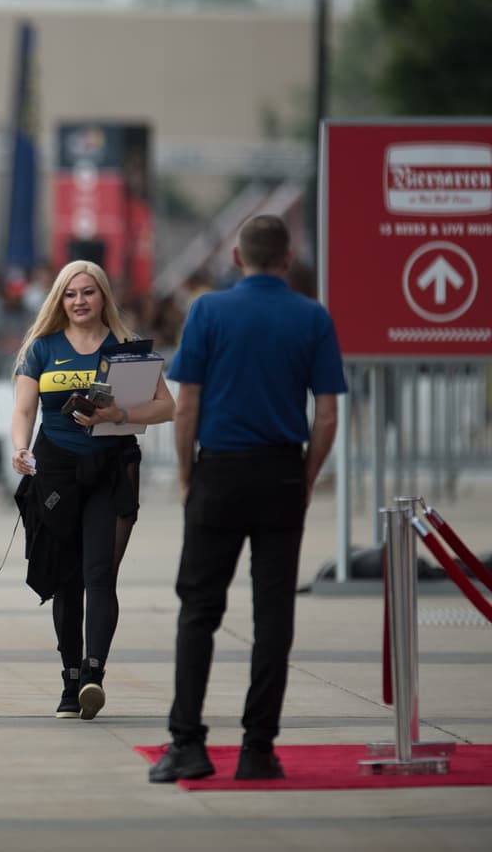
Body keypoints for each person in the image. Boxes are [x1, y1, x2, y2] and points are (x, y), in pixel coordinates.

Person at [148, 215, 346, 784]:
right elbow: (327, 414)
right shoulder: (313, 317)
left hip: (220, 474)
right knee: (273, 615)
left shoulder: (208, 311)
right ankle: (257, 749)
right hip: (282, 472)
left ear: (236, 258)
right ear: (287, 259)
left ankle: (187, 743)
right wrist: (306, 476)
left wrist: (187, 475)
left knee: (200, 611)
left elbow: (187, 405)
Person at [10, 260, 174, 721]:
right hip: (56, 469)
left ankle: (92, 675)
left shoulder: (126, 348)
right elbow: (24, 409)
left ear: (103, 296)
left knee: (100, 574)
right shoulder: (41, 349)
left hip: (112, 468)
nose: (79, 301)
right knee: (67, 578)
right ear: (59, 300)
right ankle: (68, 677)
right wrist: (19, 449)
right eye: (70, 294)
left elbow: (167, 407)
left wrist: (117, 416)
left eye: (88, 292)